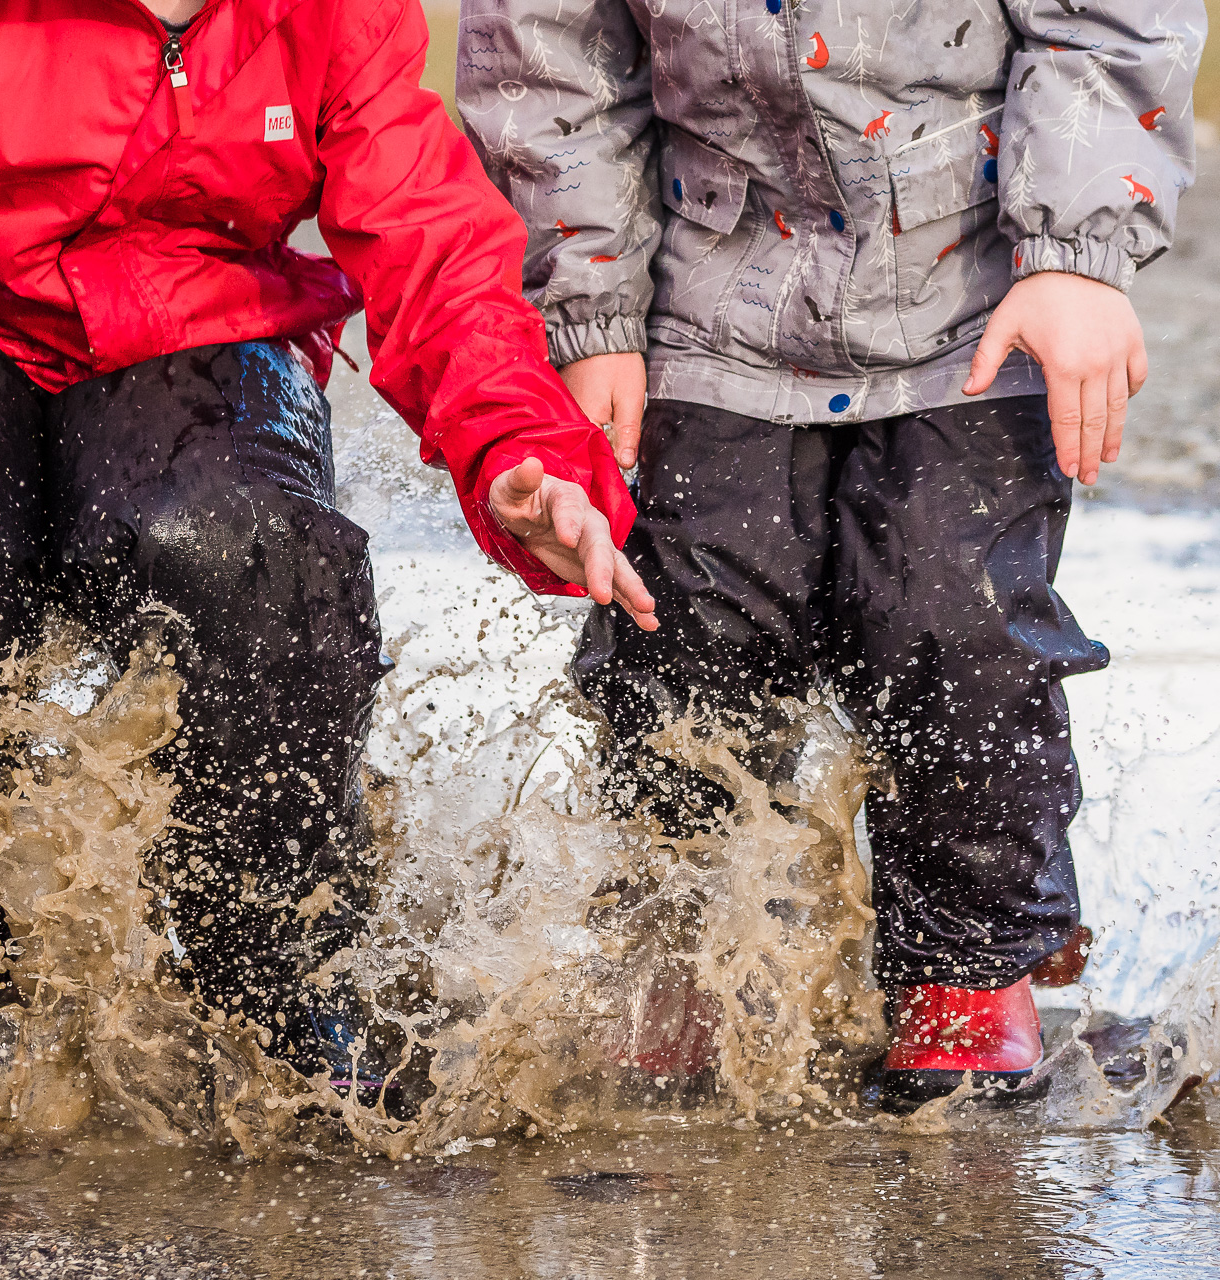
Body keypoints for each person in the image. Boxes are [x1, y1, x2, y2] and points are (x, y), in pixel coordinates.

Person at [0, 0, 657, 1096]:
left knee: (248, 549)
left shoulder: (333, 16)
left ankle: (269, 974)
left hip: (213, 330)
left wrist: (517, 452)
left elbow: (436, 253)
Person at [459, 0, 1204, 1110]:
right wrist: (588, 308)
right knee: (686, 623)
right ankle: (687, 944)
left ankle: (963, 962)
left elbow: (1106, 21)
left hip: (974, 291)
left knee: (956, 624)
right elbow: (550, 63)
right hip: (705, 305)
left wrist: (1079, 256)